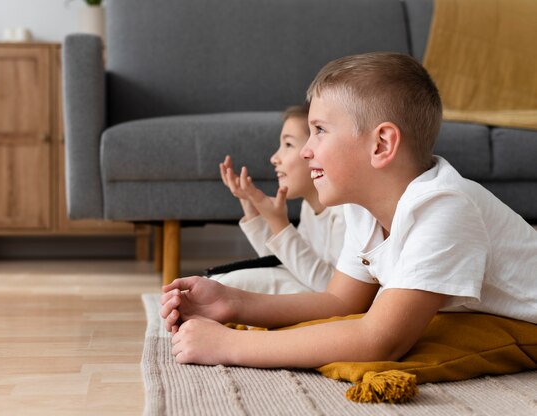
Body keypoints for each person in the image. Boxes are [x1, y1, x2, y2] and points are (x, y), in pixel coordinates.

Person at [159, 52, 537, 368]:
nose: (307, 150)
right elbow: (339, 302)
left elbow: (378, 341)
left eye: (320, 130)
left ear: (381, 145)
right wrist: (232, 303)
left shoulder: (444, 207)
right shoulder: (364, 208)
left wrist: (228, 346)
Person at [211, 104, 345, 294]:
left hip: (328, 301)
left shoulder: (343, 212)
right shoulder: (309, 207)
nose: (274, 158)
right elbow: (288, 264)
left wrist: (280, 224)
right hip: (310, 290)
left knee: (230, 285)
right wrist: (252, 209)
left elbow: (330, 288)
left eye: (288, 145)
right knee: (224, 281)